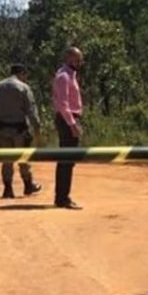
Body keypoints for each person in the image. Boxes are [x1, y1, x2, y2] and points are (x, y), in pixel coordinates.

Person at [0, 64, 43, 199]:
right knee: (23, 157)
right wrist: (37, 128)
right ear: (22, 73)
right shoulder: (23, 88)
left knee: (6, 159)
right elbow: (31, 110)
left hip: (2, 128)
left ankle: (8, 189)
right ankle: (28, 184)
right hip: (18, 128)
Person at [52, 47, 84, 210]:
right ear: (69, 58)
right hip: (67, 119)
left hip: (69, 118)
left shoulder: (70, 75)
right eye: (78, 59)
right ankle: (62, 197)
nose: (80, 62)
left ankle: (62, 196)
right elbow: (63, 104)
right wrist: (72, 125)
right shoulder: (64, 76)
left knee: (68, 160)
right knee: (67, 159)